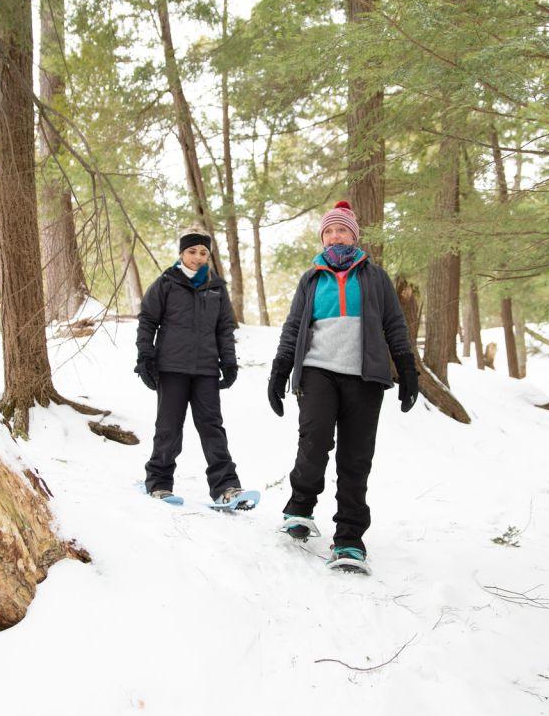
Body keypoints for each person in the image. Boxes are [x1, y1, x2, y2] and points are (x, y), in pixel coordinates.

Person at [268, 201, 419, 573]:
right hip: (318, 370)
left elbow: (394, 325)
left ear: (354, 235)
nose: (336, 236)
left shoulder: (376, 277)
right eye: (330, 231)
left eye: (343, 230)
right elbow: (293, 329)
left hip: (365, 376)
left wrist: (407, 369)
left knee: (356, 458)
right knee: (314, 440)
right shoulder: (311, 278)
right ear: (323, 237)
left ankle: (350, 540)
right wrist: (279, 370)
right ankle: (299, 511)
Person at [136, 229, 246, 505]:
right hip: (171, 367)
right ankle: (159, 483)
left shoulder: (216, 288)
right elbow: (148, 320)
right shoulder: (166, 283)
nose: (197, 257)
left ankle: (226, 487)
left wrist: (229, 361)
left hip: (206, 369)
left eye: (203, 253)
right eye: (192, 251)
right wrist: (145, 357)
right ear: (182, 253)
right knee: (169, 427)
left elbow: (224, 328)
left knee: (212, 426)